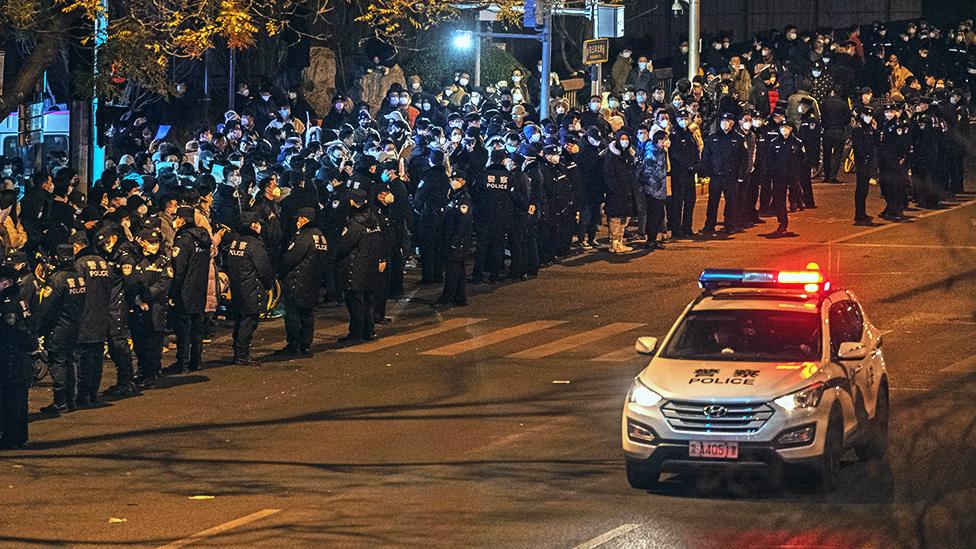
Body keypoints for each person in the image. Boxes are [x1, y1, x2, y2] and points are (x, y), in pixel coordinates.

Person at [36, 244, 87, 415]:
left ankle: (60, 401)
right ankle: (71, 400)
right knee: (70, 362)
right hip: (75, 326)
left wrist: (39, 330)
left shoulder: (56, 280)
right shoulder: (78, 277)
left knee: (58, 364)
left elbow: (47, 309)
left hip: (59, 328)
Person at [336, 189, 385, 344]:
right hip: (371, 265)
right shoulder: (375, 219)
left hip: (356, 267)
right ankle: (368, 331)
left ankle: (356, 332)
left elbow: (344, 246)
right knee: (369, 300)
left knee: (355, 301)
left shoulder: (355, 223)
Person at [226, 212, 275, 365]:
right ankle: (242, 354)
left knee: (241, 320)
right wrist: (269, 284)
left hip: (238, 287)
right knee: (249, 322)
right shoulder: (255, 244)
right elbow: (264, 268)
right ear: (253, 225)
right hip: (251, 287)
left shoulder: (236, 242)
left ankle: (238, 352)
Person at [169, 206, 212, 374]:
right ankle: (196, 360)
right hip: (199, 288)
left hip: (185, 289)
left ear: (182, 219)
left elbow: (179, 269)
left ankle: (182, 363)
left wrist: (173, 292)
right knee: (197, 327)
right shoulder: (203, 237)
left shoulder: (183, 239)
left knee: (183, 329)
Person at [280, 208, 328, 356]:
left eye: (299, 219)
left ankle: (294, 344)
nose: (297, 222)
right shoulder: (320, 236)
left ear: (305, 220)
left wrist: (280, 271)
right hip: (314, 280)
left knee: (293, 313)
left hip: (298, 280)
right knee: (308, 313)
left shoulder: (303, 237)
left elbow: (290, 258)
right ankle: (306, 344)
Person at [129, 228, 172, 388]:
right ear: (142, 242)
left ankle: (151, 373)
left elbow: (163, 284)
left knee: (153, 342)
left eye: (156, 242)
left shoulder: (162, 261)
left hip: (155, 308)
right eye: (151, 242)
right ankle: (142, 370)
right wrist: (136, 298)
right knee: (139, 341)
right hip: (137, 308)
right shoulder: (135, 259)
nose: (154, 245)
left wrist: (145, 295)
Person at [0, 300, 38, 449]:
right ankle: (19, 438)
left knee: (13, 405)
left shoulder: (15, 328)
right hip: (18, 369)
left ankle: (12, 438)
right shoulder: (20, 307)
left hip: (12, 369)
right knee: (17, 405)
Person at [700, 113, 747, 235]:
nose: (725, 123)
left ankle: (730, 225)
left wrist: (741, 175)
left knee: (731, 202)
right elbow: (706, 156)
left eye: (728, 120)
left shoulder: (739, 138)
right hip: (716, 176)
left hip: (731, 176)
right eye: (723, 120)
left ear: (732, 123)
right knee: (712, 202)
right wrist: (708, 171)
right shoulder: (713, 137)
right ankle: (709, 225)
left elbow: (744, 159)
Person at [436, 171, 473, 307]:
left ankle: (448, 298)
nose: (454, 181)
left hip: (458, 242)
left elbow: (463, 223)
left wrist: (455, 242)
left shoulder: (463, 199)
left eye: (457, 179)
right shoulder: (454, 196)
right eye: (453, 178)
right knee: (458, 270)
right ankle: (459, 297)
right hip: (453, 239)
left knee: (452, 271)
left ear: (464, 181)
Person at [763, 120, 805, 237]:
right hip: (779, 176)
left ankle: (796, 203)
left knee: (795, 194)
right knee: (779, 200)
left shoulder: (797, 143)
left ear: (791, 129)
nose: (784, 129)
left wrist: (797, 171)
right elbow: (769, 160)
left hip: (792, 175)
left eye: (786, 127)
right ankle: (782, 222)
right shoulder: (774, 143)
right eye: (782, 127)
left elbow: (802, 159)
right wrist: (772, 171)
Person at [602, 130, 637, 253]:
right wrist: (614, 189)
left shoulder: (628, 156)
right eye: (622, 138)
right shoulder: (611, 157)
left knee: (625, 217)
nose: (624, 141)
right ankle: (614, 242)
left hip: (627, 191)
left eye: (626, 138)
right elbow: (608, 176)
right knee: (615, 217)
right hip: (615, 193)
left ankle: (620, 241)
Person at [668, 110, 700, 238]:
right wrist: (689, 165)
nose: (684, 121)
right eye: (681, 118)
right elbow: (676, 155)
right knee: (678, 202)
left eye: (686, 118)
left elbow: (695, 151)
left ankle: (688, 227)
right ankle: (677, 229)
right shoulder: (674, 135)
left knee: (690, 201)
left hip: (690, 174)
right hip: (679, 173)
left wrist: (697, 164)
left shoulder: (690, 134)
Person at [638, 131, 669, 249]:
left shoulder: (661, 151)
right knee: (653, 215)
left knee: (659, 215)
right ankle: (650, 239)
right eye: (664, 139)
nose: (666, 141)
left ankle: (654, 238)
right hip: (652, 190)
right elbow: (648, 172)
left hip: (660, 189)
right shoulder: (651, 152)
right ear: (659, 140)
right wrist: (653, 187)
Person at [851, 107, 881, 225]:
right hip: (862, 162)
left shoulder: (869, 128)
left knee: (865, 190)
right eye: (867, 115)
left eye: (870, 116)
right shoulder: (858, 129)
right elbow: (858, 147)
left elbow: (875, 142)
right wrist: (864, 157)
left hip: (868, 162)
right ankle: (859, 215)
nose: (869, 118)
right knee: (861, 189)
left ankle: (862, 213)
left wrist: (875, 130)